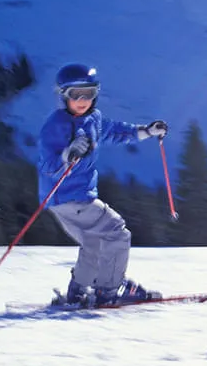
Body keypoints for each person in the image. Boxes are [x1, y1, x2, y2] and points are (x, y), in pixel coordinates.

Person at [38, 63, 169, 306]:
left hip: (71, 198)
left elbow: (115, 132)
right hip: (68, 195)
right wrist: (67, 154)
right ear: (63, 95)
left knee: (93, 240)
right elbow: (48, 166)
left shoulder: (93, 118)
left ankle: (79, 290)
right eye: (75, 95)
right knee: (117, 233)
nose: (82, 100)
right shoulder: (56, 125)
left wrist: (147, 131)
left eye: (88, 93)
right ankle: (108, 290)